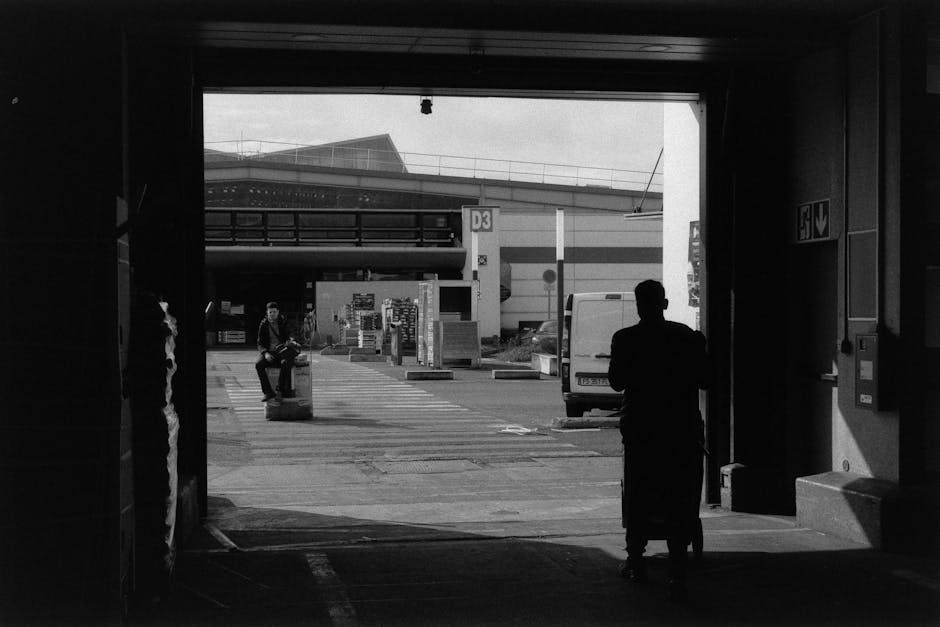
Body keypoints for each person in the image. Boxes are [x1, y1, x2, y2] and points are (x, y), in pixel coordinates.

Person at [607, 279, 709, 602]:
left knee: (640, 492)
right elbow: (706, 379)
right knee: (679, 496)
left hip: (642, 430)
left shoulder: (625, 339)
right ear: (664, 304)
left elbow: (615, 382)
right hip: (680, 431)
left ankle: (636, 561)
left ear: (639, 306)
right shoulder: (685, 338)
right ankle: (677, 571)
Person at [255, 301, 297, 402]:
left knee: (286, 363)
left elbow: (291, 332)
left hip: (282, 350)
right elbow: (259, 343)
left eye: (274, 312)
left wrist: (291, 339)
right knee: (258, 364)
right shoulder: (263, 324)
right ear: (267, 312)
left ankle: (280, 390)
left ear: (278, 312)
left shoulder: (283, 321)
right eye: (270, 312)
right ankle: (268, 392)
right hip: (270, 351)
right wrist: (265, 353)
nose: (272, 314)